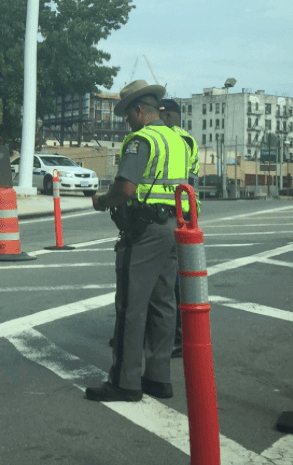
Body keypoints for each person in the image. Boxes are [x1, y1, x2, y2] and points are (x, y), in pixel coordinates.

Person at [86, 80, 190, 402]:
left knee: (131, 305)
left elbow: (127, 189)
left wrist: (103, 201)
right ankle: (158, 378)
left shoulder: (141, 140)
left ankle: (125, 382)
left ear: (140, 110)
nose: (127, 122)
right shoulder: (179, 140)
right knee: (163, 304)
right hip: (175, 227)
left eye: (128, 115)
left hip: (145, 230)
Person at [159, 98, 197, 359]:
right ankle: (180, 333)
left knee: (172, 278)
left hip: (173, 212)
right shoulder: (188, 140)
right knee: (178, 275)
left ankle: (178, 334)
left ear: (169, 116)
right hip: (187, 211)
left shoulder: (171, 139)